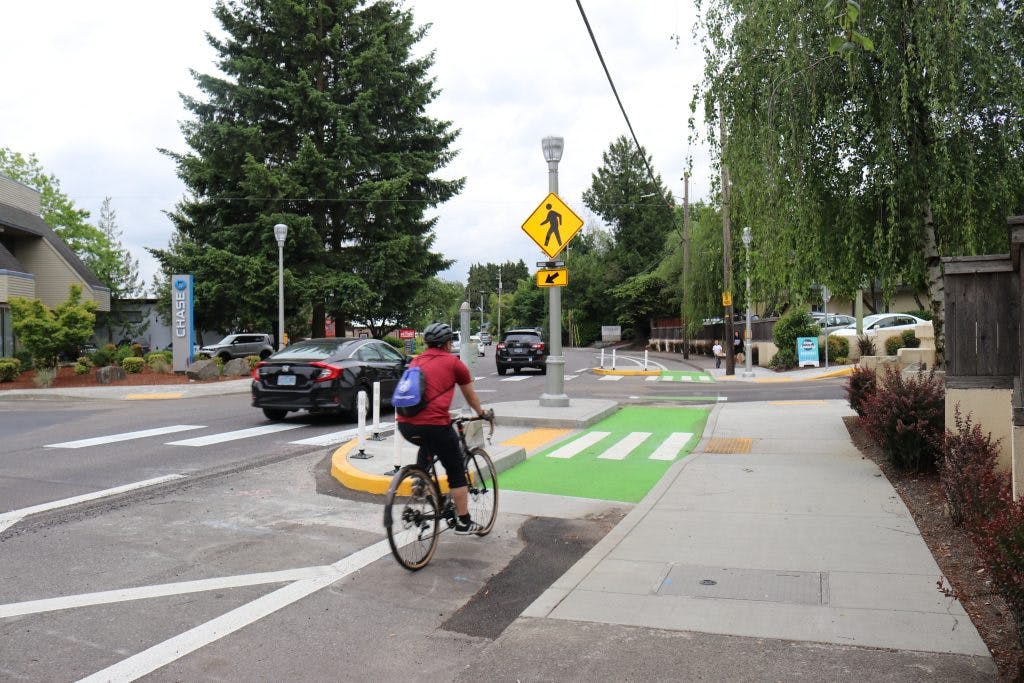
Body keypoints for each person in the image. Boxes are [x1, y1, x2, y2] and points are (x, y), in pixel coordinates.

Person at [396, 322, 492, 535]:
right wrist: (482, 413)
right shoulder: (453, 363)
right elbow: (470, 396)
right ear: (448, 344)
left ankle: (419, 481)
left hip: (405, 424)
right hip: (434, 425)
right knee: (456, 470)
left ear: (428, 343)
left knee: (427, 441)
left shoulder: (416, 361)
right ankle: (464, 521)